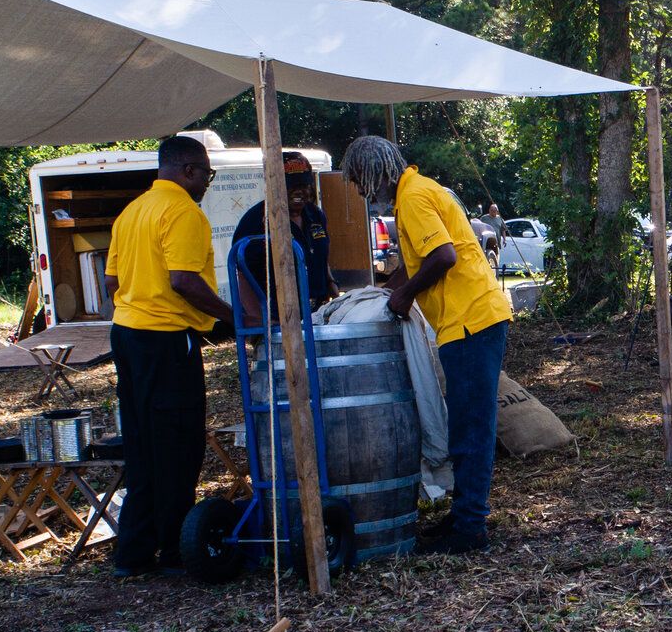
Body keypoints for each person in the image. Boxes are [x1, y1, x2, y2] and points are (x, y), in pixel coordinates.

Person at [342, 135, 511, 555]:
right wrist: (384, 291)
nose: (363, 193)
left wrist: (403, 296)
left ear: (375, 173)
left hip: (470, 321)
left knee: (472, 426)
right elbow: (420, 263)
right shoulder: (414, 193)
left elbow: (443, 257)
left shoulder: (414, 198)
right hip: (468, 320)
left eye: (361, 183)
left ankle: (471, 528)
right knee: (463, 425)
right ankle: (463, 512)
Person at [103, 135, 234, 577]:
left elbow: (111, 283)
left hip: (127, 335)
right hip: (165, 339)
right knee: (178, 445)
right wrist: (230, 318)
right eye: (206, 176)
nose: (206, 185)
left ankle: (133, 553)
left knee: (142, 445)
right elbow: (183, 280)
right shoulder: (183, 212)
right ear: (189, 171)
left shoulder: (132, 211)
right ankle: (176, 550)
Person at [229, 150, 336, 319]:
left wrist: (332, 287)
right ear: (274, 186)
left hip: (317, 311)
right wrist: (259, 321)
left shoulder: (315, 214)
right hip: (278, 315)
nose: (299, 192)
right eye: (291, 186)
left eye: (304, 185)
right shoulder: (255, 222)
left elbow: (320, 256)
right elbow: (241, 274)